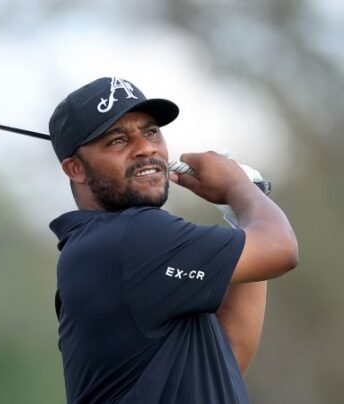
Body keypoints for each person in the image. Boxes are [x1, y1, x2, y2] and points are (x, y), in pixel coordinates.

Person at [47, 77, 298, 403]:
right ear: (75, 169)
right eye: (118, 140)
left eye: (150, 132)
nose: (146, 148)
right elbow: (281, 249)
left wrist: (243, 210)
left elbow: (226, 360)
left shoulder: (105, 248)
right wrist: (239, 188)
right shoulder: (131, 237)